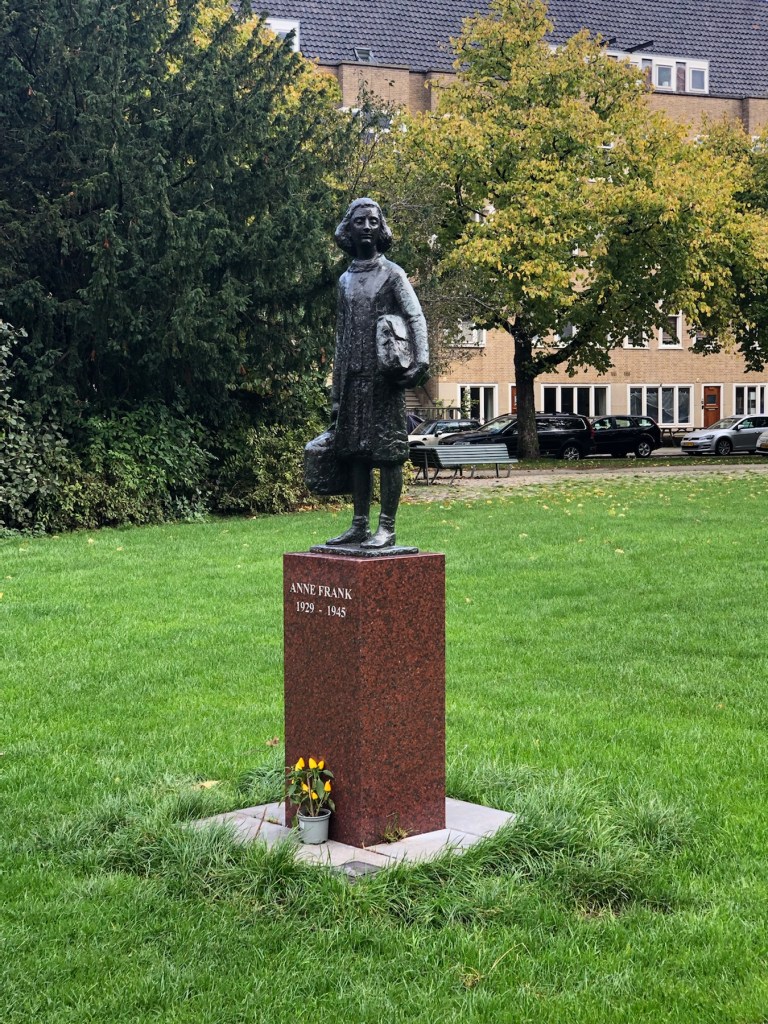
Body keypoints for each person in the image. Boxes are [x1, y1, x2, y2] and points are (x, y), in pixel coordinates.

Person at [326, 198, 429, 548]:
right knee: (357, 453)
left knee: (388, 454)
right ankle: (359, 524)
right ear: (349, 229)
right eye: (360, 221)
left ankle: (387, 527)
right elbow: (341, 338)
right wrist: (337, 394)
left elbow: (415, 317)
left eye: (373, 220)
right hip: (353, 379)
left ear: (381, 228)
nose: (367, 227)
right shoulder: (344, 280)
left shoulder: (392, 274)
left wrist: (421, 362)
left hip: (385, 381)